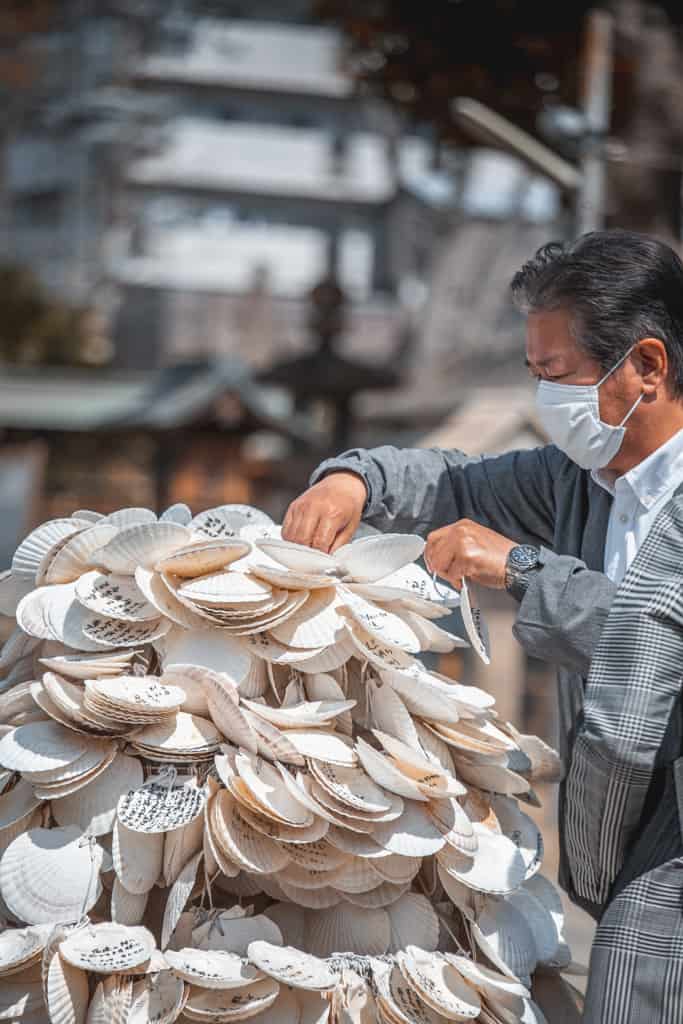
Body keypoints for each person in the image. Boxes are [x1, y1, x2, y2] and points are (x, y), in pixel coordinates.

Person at [282, 230, 683, 1023]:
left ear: (646, 365)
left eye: (557, 375)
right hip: (619, 828)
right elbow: (452, 480)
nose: (543, 399)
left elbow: (656, 640)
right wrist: (350, 479)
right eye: (533, 375)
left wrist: (526, 571)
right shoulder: (581, 484)